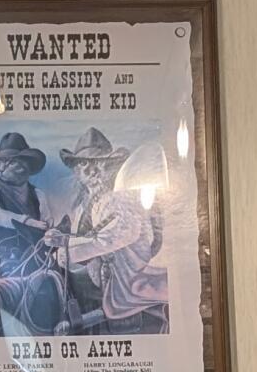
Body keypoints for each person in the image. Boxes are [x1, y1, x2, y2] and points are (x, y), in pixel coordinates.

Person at [54, 127, 170, 334]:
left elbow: (114, 238)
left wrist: (67, 249)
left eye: (99, 162)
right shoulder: (82, 205)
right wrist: (63, 242)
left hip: (126, 277)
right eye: (83, 163)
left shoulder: (120, 198)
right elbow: (86, 238)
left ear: (110, 166)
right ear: (76, 170)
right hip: (98, 274)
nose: (92, 170)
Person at [0, 130, 62, 336]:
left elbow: (47, 221)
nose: (0, 168)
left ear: (24, 165)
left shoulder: (38, 194)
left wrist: (50, 230)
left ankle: (61, 324)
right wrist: (25, 221)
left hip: (36, 256)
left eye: (7, 162)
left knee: (60, 279)